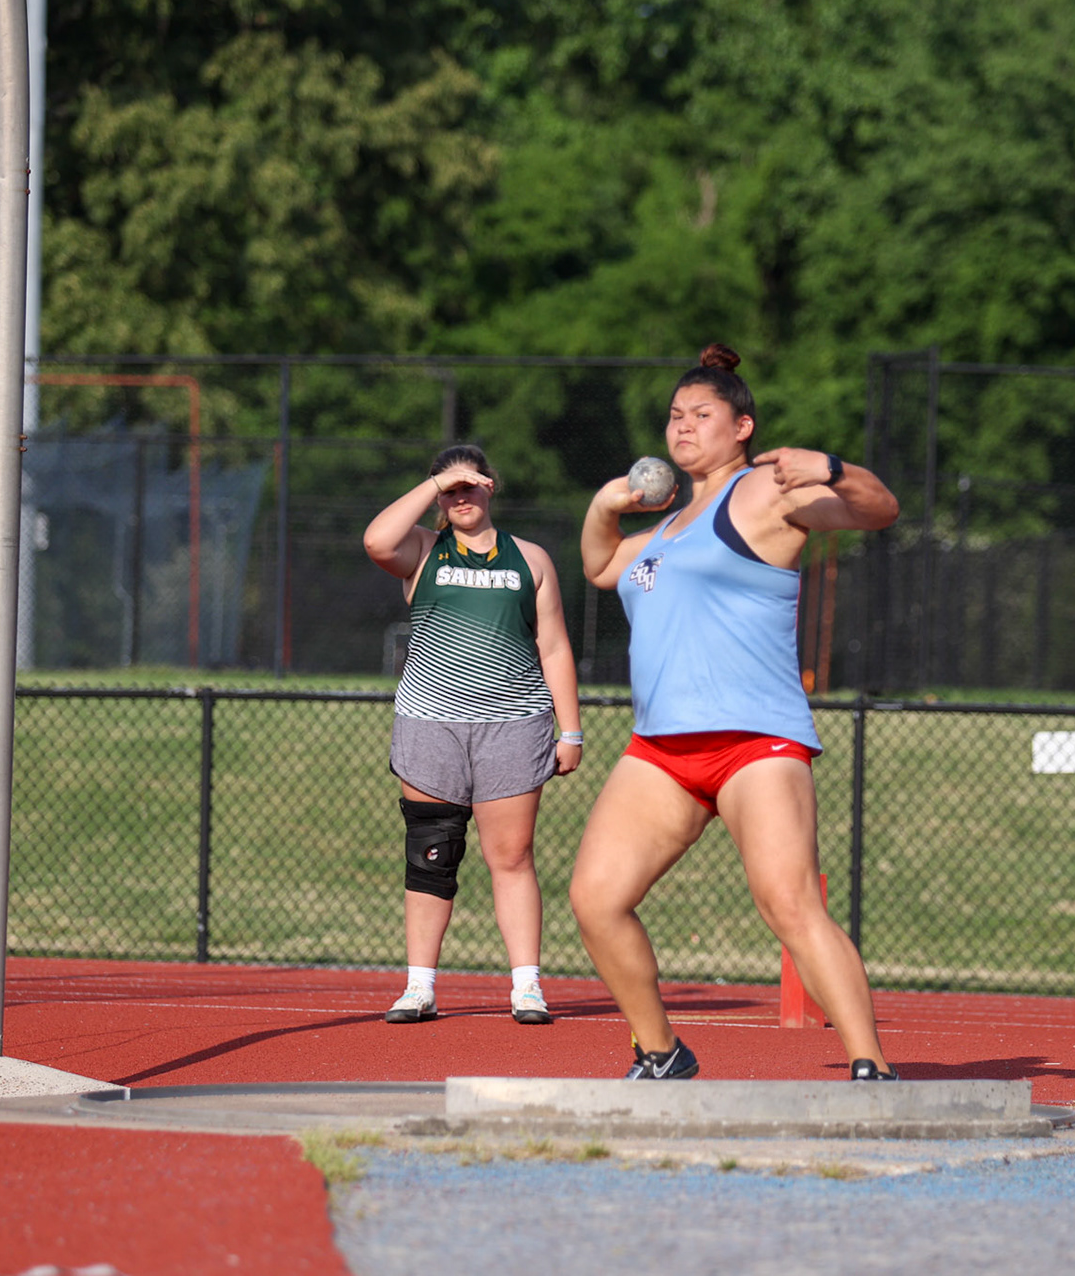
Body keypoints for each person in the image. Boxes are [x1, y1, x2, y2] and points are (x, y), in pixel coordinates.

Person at [570, 343, 901, 1081]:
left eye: (702, 415)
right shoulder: (663, 530)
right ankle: (661, 1052)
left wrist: (834, 469)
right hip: (662, 751)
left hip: (755, 741)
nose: (683, 427)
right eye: (675, 416)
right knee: (596, 899)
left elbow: (880, 511)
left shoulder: (763, 494)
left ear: (742, 425)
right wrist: (603, 504)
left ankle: (871, 1067)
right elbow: (598, 567)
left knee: (789, 904)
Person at [363, 444, 583, 1026]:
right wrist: (434, 482)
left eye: (470, 485)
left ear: (491, 487)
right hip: (430, 724)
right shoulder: (422, 549)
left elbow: (554, 645)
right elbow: (376, 541)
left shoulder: (529, 559)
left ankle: (527, 985)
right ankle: (419, 987)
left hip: (513, 723)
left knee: (510, 857)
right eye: (451, 490)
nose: (461, 497)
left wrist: (572, 731)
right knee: (431, 854)